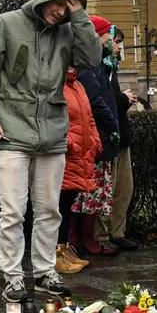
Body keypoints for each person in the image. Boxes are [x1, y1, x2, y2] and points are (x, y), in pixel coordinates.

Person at [0, 0, 101, 301]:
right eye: (59, 3)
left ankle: (45, 272)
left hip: (52, 131)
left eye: (69, 7)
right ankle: (13, 276)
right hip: (11, 132)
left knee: (49, 211)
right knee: (13, 211)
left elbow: (92, 59)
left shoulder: (70, 30)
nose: (61, 11)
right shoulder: (6, 24)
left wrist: (80, 16)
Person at [71, 16, 121, 257]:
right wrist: (112, 125)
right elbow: (95, 101)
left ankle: (83, 240)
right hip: (94, 139)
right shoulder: (90, 67)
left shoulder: (99, 66)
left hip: (96, 137)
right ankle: (84, 241)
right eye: (108, 39)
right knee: (89, 192)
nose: (112, 44)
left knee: (92, 192)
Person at [94, 27, 140, 251]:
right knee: (106, 189)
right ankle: (102, 235)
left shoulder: (112, 67)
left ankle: (117, 231)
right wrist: (124, 98)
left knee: (124, 188)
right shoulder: (97, 67)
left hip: (121, 135)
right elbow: (99, 99)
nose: (120, 46)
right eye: (115, 41)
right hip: (107, 137)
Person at [57, 68, 100, 274]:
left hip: (80, 155)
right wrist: (70, 144)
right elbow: (53, 119)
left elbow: (88, 117)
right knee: (58, 206)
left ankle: (63, 250)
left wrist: (94, 142)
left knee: (67, 206)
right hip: (66, 156)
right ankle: (56, 253)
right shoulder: (56, 83)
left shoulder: (78, 86)